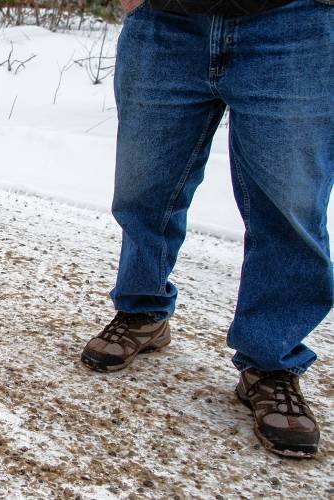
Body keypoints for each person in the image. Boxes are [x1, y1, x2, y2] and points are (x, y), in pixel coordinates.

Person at [80, 0, 332, 458]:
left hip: (294, 24)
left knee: (290, 206)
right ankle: (143, 309)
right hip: (165, 23)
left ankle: (270, 361)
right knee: (142, 189)